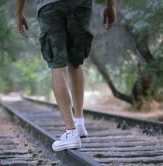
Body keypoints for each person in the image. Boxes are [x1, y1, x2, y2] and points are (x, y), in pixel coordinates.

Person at [16, 0, 116, 151]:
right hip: (80, 4)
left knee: (58, 66)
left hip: (50, 6)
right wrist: (110, 5)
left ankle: (71, 133)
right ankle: (79, 123)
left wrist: (18, 13)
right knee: (75, 63)